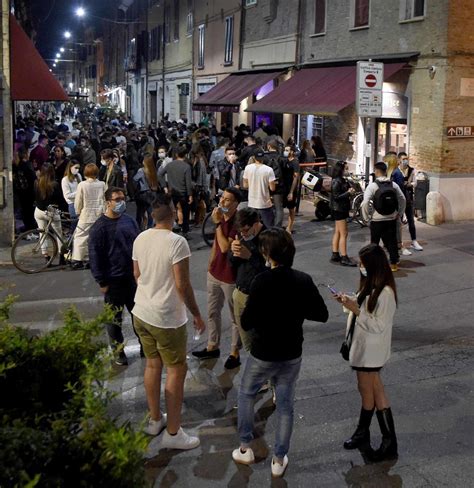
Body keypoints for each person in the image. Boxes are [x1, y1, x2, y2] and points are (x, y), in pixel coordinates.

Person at [232, 228, 328, 477]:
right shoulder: (303, 280)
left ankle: (245, 447)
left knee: (246, 393)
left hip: (263, 352)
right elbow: (321, 314)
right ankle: (278, 458)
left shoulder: (261, 281)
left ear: (268, 253)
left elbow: (246, 321)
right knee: (285, 405)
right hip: (291, 352)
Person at [132, 193, 205, 448]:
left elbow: (137, 274)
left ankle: (155, 420)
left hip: (141, 311)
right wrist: (196, 313)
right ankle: (173, 433)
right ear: (174, 212)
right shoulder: (177, 242)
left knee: (153, 366)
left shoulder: (141, 237)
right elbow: (182, 285)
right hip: (166, 317)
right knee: (176, 370)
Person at [333, 243, 398, 462]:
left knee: (369, 389)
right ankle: (373, 435)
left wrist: (356, 310)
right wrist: (348, 302)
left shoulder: (386, 293)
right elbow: (361, 308)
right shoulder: (370, 284)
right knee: (371, 388)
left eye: (363, 264)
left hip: (371, 352)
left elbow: (378, 325)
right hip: (363, 349)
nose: (360, 267)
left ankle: (381, 439)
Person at [89, 187, 141, 366]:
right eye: (117, 199)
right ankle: (118, 353)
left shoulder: (129, 221)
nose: (121, 202)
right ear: (108, 202)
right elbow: (95, 256)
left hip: (132, 279)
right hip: (113, 282)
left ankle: (145, 346)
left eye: (123, 198)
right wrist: (101, 281)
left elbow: (138, 246)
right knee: (114, 321)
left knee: (140, 317)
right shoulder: (99, 228)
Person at [192, 188, 242, 369]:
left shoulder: (237, 222)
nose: (222, 202)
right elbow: (215, 245)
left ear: (236, 204)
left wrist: (218, 224)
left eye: (228, 200)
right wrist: (210, 264)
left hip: (230, 276)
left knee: (235, 317)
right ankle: (212, 345)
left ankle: (235, 352)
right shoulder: (222, 218)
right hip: (215, 273)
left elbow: (224, 247)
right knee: (213, 312)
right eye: (222, 198)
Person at [229, 208, 266, 353]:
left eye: (246, 230)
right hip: (240, 294)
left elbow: (274, 273)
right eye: (240, 231)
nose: (243, 234)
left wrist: (250, 257)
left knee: (263, 343)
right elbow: (232, 263)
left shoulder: (269, 238)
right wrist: (233, 251)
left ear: (256, 223)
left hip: (260, 298)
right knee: (248, 345)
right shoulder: (241, 237)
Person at [361, 162, 406, 272]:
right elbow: (403, 199)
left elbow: (365, 203)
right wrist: (399, 213)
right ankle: (394, 264)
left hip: (377, 219)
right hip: (391, 218)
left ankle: (373, 264)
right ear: (386, 171)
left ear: (376, 171)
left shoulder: (372, 186)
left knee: (374, 243)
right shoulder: (393, 185)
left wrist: (366, 219)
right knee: (392, 241)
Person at [73, 163, 106, 270]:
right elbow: (105, 201)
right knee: (95, 238)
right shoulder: (102, 184)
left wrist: (77, 211)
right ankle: (90, 259)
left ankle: (78, 260)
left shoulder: (82, 185)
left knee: (80, 237)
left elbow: (78, 201)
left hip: (86, 214)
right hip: (99, 215)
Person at [158, 145, 193, 238]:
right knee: (185, 213)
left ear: (176, 154)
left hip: (172, 192)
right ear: (185, 155)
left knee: (171, 211)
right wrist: (190, 195)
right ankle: (185, 231)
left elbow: (160, 174)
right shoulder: (186, 167)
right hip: (183, 193)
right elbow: (188, 182)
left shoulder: (169, 165)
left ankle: (170, 229)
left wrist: (164, 187)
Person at [33, 163, 64, 265]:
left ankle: (46, 257)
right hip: (51, 212)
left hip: (38, 211)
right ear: (52, 172)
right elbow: (60, 200)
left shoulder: (37, 182)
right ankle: (61, 257)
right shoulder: (54, 184)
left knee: (42, 234)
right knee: (58, 234)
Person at [330, 161, 357, 266]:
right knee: (344, 233)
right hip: (339, 209)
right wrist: (348, 193)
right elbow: (336, 196)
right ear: (340, 169)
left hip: (340, 209)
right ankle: (344, 257)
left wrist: (349, 191)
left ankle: (335, 253)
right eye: (346, 168)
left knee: (338, 232)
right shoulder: (336, 181)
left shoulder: (341, 180)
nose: (347, 170)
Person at [385, 152, 412, 258]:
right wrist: (401, 210)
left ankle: (391, 245)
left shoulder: (390, 173)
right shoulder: (396, 173)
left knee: (392, 226)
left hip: (389, 204)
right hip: (395, 204)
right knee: (397, 225)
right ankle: (399, 247)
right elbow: (401, 192)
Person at [243, 150, 276, 229]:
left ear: (254, 157)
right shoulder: (269, 170)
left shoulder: (248, 168)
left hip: (252, 203)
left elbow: (245, 185)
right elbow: (272, 188)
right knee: (268, 227)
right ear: (263, 157)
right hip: (265, 203)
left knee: (252, 227)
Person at [398, 152, 423, 252]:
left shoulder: (412, 170)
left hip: (408, 198)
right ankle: (399, 242)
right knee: (398, 222)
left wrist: (409, 184)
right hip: (399, 199)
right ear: (399, 160)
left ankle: (414, 241)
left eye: (407, 159)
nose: (405, 161)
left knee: (411, 221)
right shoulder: (396, 171)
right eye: (403, 159)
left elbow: (415, 183)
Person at [13, 147, 37, 234]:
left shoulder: (25, 165)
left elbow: (33, 180)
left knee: (28, 212)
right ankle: (28, 228)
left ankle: (30, 229)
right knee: (26, 212)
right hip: (24, 193)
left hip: (27, 193)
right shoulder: (21, 165)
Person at [134, 154, 160, 230]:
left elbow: (135, 179)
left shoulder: (141, 170)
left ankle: (139, 228)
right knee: (150, 212)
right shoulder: (153, 170)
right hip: (152, 193)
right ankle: (150, 227)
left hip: (143, 193)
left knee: (140, 212)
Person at [264, 141, 286, 227]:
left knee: (265, 207)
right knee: (278, 207)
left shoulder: (264, 157)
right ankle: (277, 227)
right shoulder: (281, 157)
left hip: (266, 184)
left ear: (269, 146)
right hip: (279, 184)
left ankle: (267, 226)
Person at [282, 145, 300, 234]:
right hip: (283, 187)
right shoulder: (284, 161)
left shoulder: (295, 162)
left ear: (292, 152)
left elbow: (295, 178)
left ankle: (289, 227)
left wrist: (291, 192)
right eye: (285, 150)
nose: (285, 151)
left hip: (290, 188)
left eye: (287, 150)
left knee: (291, 208)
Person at [61, 160, 82, 231]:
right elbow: (67, 195)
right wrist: (79, 192)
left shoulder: (79, 176)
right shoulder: (65, 180)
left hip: (80, 202)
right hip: (72, 204)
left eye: (78, 168)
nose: (77, 170)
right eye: (76, 168)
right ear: (70, 167)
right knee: (74, 226)